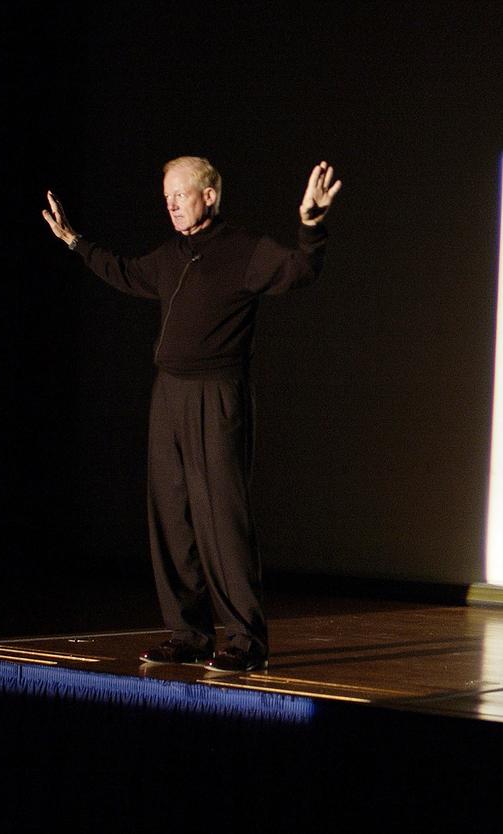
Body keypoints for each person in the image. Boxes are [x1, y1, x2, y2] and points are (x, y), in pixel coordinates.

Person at [42, 156, 342, 671]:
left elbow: (299, 270)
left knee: (220, 517)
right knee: (173, 518)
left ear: (210, 195)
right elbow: (124, 271)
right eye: (166, 198)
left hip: (216, 394)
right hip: (169, 396)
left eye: (180, 194)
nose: (172, 204)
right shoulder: (170, 255)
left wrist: (311, 224)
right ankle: (188, 634)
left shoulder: (243, 250)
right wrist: (75, 243)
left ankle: (246, 641)